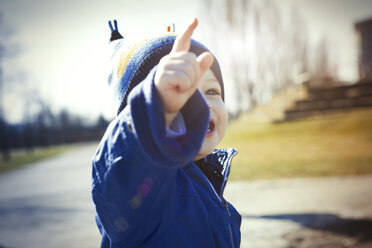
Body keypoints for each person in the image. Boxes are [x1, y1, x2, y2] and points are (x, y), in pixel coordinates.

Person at [91, 17, 241, 248]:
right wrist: (152, 112)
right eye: (183, 94)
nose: (203, 105)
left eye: (211, 90)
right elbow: (127, 165)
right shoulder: (144, 188)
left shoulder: (211, 185)